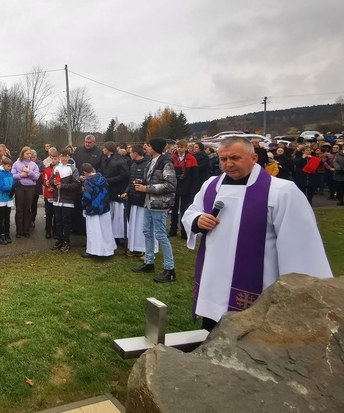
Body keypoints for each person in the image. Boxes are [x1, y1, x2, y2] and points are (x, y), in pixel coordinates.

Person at [182, 136, 333, 331]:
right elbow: (192, 211)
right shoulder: (211, 186)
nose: (228, 164)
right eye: (223, 159)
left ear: (253, 158)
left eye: (235, 158)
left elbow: (301, 246)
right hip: (212, 282)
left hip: (256, 288)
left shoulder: (281, 192)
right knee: (210, 334)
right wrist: (197, 220)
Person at [132, 138, 178, 283]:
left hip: (159, 204)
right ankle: (149, 262)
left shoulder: (166, 163)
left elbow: (170, 185)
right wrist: (142, 183)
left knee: (160, 234)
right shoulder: (151, 161)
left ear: (156, 147)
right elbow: (151, 180)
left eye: (149, 145)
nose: (146, 147)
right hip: (148, 202)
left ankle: (170, 269)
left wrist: (147, 188)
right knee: (147, 231)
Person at [80, 163, 116, 258]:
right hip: (104, 207)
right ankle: (108, 249)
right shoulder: (103, 179)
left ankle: (94, 251)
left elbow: (87, 196)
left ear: (85, 172)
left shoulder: (88, 181)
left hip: (93, 208)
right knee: (106, 230)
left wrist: (83, 204)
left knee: (93, 230)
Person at [50, 149, 81, 253]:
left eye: (65, 156)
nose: (63, 158)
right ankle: (59, 240)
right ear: (59, 157)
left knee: (66, 221)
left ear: (69, 157)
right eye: (61, 156)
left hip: (67, 199)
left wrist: (62, 186)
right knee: (58, 221)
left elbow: (76, 184)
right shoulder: (55, 167)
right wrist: (53, 182)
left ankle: (66, 242)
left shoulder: (73, 169)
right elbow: (51, 181)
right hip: (56, 199)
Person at [99, 141, 129, 248]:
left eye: (104, 148)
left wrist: (108, 180)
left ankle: (120, 236)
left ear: (109, 149)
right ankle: (110, 234)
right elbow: (102, 170)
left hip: (117, 190)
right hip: (107, 190)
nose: (103, 150)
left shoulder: (120, 160)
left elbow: (124, 175)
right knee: (110, 214)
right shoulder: (104, 158)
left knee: (118, 215)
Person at [71, 135, 103, 235]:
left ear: (94, 142)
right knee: (77, 204)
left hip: (92, 183)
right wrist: (78, 176)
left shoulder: (99, 153)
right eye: (85, 142)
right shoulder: (78, 150)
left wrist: (91, 177)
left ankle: (88, 230)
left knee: (88, 204)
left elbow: (101, 168)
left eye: (89, 142)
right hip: (78, 180)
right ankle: (76, 228)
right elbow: (73, 165)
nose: (87, 144)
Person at [169, 139, 198, 240]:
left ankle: (184, 231)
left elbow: (195, 176)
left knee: (184, 210)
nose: (179, 149)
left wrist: (193, 190)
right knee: (174, 209)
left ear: (186, 148)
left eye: (181, 147)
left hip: (187, 186)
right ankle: (172, 229)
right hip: (175, 186)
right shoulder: (172, 158)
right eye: (178, 147)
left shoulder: (191, 159)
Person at [11, 146, 40, 238]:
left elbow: (36, 177)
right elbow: (12, 175)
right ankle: (19, 231)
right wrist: (21, 175)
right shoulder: (16, 164)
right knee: (19, 209)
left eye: (30, 153)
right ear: (22, 153)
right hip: (20, 187)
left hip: (30, 188)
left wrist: (29, 172)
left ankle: (26, 230)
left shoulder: (34, 165)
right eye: (27, 153)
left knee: (28, 209)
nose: (29, 155)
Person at [0, 156, 15, 245]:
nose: (9, 168)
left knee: (7, 217)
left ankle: (7, 233)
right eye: (8, 166)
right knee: (0, 218)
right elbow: (2, 187)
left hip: (9, 198)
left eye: (10, 166)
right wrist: (12, 188)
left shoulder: (10, 174)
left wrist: (13, 187)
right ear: (3, 165)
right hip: (2, 199)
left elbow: (12, 183)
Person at [42, 147, 59, 239]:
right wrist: (49, 186)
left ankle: (55, 231)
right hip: (48, 193)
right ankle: (47, 230)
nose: (53, 160)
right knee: (49, 213)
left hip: (57, 195)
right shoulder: (47, 169)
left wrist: (55, 187)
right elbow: (44, 180)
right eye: (52, 158)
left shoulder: (60, 169)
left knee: (56, 214)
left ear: (58, 159)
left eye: (55, 158)